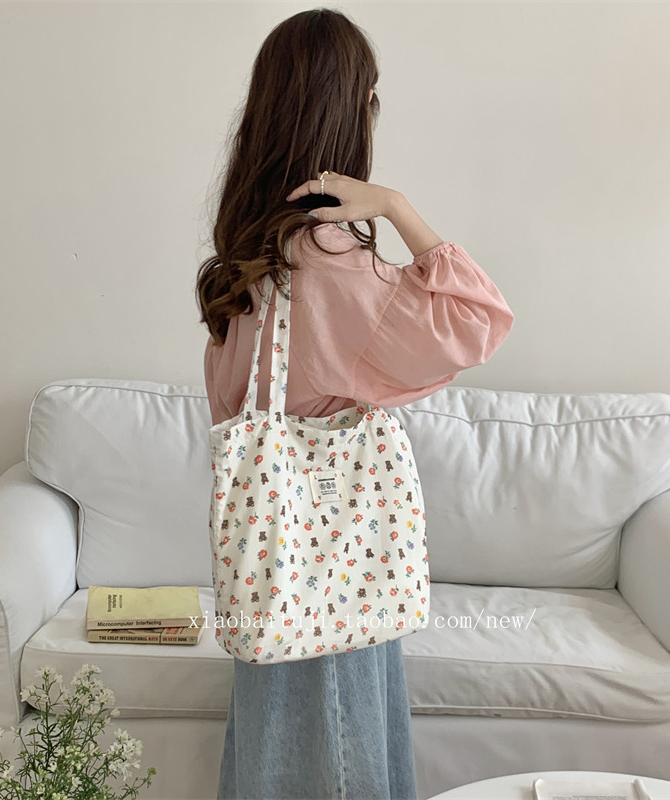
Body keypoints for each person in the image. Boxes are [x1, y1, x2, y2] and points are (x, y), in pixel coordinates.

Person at [195, 8, 515, 800]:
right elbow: (478, 321)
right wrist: (397, 207)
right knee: (341, 759)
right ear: (355, 109)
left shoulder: (248, 256)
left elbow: (230, 404)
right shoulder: (332, 261)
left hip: (273, 563)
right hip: (336, 566)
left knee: (272, 758)